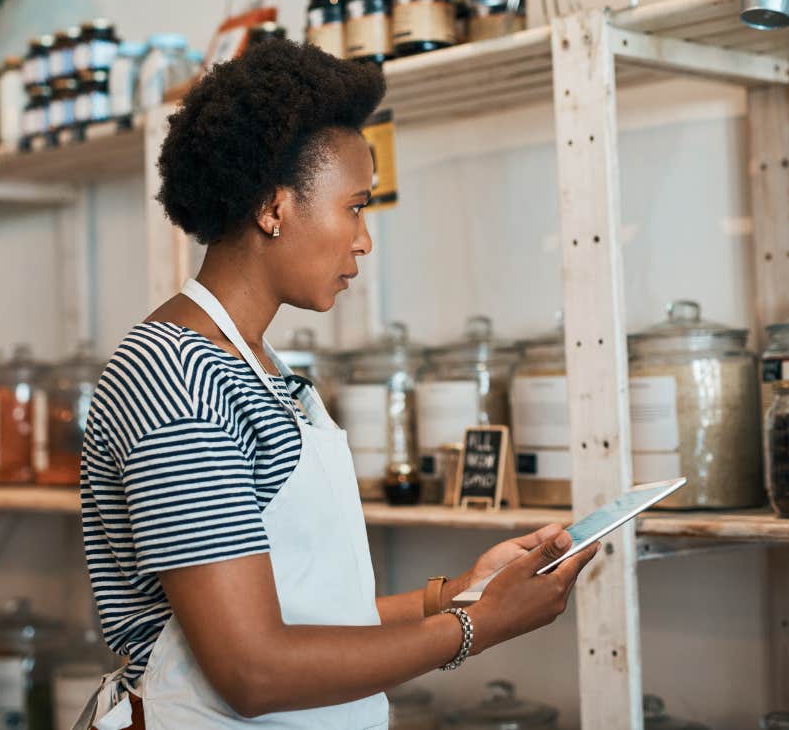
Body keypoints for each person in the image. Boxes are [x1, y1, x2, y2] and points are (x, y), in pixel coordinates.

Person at [78, 40, 598, 730]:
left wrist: (462, 595)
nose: (364, 241)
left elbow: (307, 615)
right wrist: (478, 630)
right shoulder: (179, 377)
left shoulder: (260, 366)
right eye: (355, 207)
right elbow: (251, 670)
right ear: (274, 207)